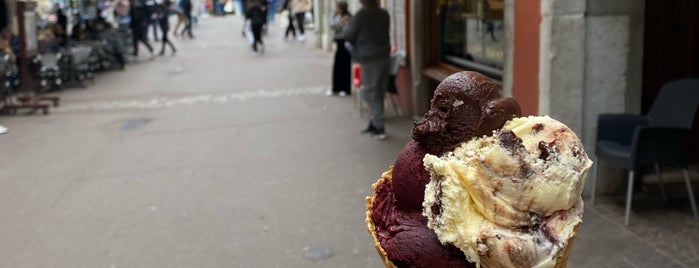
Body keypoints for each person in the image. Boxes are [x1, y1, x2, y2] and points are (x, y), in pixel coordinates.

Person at [340, 0, 390, 140]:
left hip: (369, 58)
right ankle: (374, 123)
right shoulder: (384, 13)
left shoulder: (361, 15)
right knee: (379, 90)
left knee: (368, 91)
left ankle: (379, 126)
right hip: (384, 57)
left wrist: (346, 25)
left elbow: (349, 35)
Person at [327, 1, 351, 97]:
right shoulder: (334, 15)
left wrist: (344, 23)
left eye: (337, 7)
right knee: (337, 66)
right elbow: (332, 26)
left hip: (346, 43)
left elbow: (349, 29)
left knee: (345, 66)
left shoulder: (349, 16)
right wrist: (341, 21)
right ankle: (336, 88)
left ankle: (345, 88)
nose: (336, 8)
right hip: (339, 42)